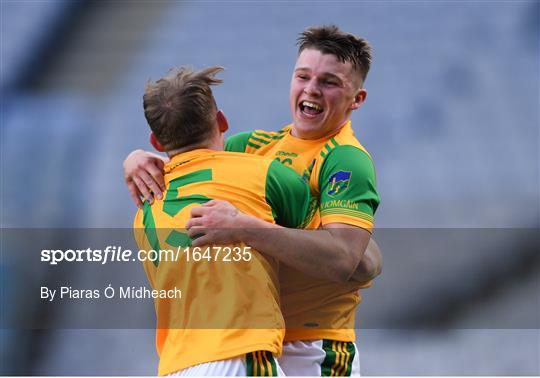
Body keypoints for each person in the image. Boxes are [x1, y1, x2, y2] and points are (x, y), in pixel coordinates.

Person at [126, 25, 381, 376]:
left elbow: (346, 260)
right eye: (303, 76)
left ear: (357, 100)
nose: (311, 89)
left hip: (312, 347)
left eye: (329, 82)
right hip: (256, 340)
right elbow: (193, 156)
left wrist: (245, 228)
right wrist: (137, 159)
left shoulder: (346, 159)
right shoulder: (252, 146)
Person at [133, 65, 315, 376]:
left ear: (156, 142)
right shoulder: (264, 174)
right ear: (222, 121)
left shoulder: (143, 212)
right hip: (239, 355)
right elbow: (320, 245)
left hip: (176, 366)